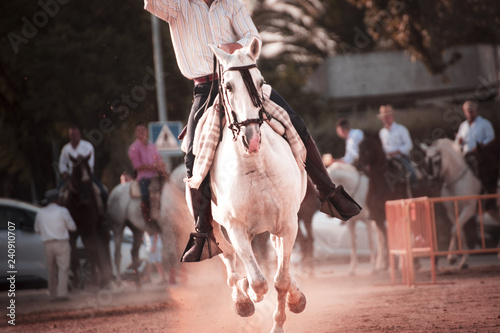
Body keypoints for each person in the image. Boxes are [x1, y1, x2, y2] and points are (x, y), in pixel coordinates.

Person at [144, 0, 361, 262]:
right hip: (205, 88)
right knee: (191, 153)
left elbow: (252, 36)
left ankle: (328, 192)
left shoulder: (231, 4)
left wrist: (232, 48)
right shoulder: (179, 6)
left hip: (243, 79)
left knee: (296, 124)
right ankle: (203, 232)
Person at [34, 189, 77, 302]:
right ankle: (62, 294)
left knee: (51, 269)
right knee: (63, 268)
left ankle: (52, 294)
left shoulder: (41, 212)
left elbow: (37, 229)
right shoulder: (63, 211)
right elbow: (72, 227)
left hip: (47, 244)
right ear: (57, 199)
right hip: (61, 243)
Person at [128, 121, 168, 230]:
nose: (141, 132)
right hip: (144, 177)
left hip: (156, 176)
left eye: (143, 130)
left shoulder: (152, 145)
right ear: (136, 133)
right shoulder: (133, 148)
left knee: (168, 192)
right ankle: (149, 221)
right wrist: (154, 166)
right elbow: (137, 167)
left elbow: (159, 159)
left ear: (146, 132)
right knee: (145, 196)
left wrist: (161, 165)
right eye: (139, 131)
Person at [58, 124, 108, 207]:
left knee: (103, 193)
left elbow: (90, 164)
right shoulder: (66, 149)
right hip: (71, 176)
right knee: (58, 193)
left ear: (80, 135)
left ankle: (103, 213)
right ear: (69, 136)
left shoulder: (87, 146)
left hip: (87, 176)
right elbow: (62, 164)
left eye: (76, 134)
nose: (74, 137)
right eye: (72, 135)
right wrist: (64, 173)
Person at [455, 100, 495, 175]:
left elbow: (491, 138)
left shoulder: (485, 124)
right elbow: (457, 142)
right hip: (465, 155)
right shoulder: (463, 126)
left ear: (475, 111)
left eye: (471, 111)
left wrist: (480, 146)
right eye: (467, 111)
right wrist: (459, 142)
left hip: (480, 156)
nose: (469, 113)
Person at [378, 105, 416, 182]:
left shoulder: (401, 129)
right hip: (387, 159)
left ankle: (414, 188)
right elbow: (383, 147)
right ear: (382, 119)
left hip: (401, 158)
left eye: (388, 116)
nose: (386, 118)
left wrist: (397, 151)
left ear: (392, 116)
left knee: (411, 173)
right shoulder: (382, 132)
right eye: (384, 117)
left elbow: (409, 145)